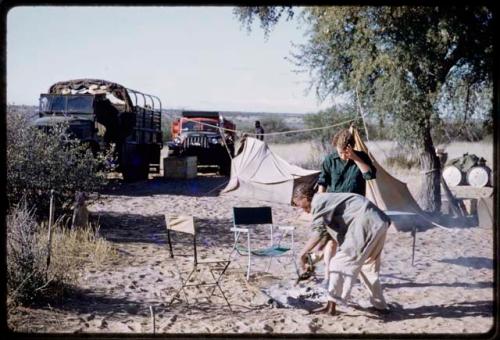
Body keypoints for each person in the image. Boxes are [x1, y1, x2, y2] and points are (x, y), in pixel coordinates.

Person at [293, 184, 391, 315]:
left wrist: (302, 254)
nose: (303, 210)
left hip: (366, 223)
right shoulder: (328, 202)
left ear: (305, 197)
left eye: (301, 205)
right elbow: (324, 236)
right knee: (367, 267)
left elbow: (318, 233)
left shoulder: (318, 201)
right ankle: (380, 306)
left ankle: (331, 307)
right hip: (379, 222)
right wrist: (311, 259)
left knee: (337, 264)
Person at [306, 128, 377, 282]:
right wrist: (320, 204)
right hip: (334, 208)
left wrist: (355, 157)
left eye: (345, 152)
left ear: (351, 147)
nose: (342, 155)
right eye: (339, 152)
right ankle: (327, 277)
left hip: (356, 210)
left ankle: (315, 258)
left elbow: (370, 175)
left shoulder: (361, 157)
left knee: (352, 244)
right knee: (331, 242)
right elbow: (323, 182)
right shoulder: (330, 160)